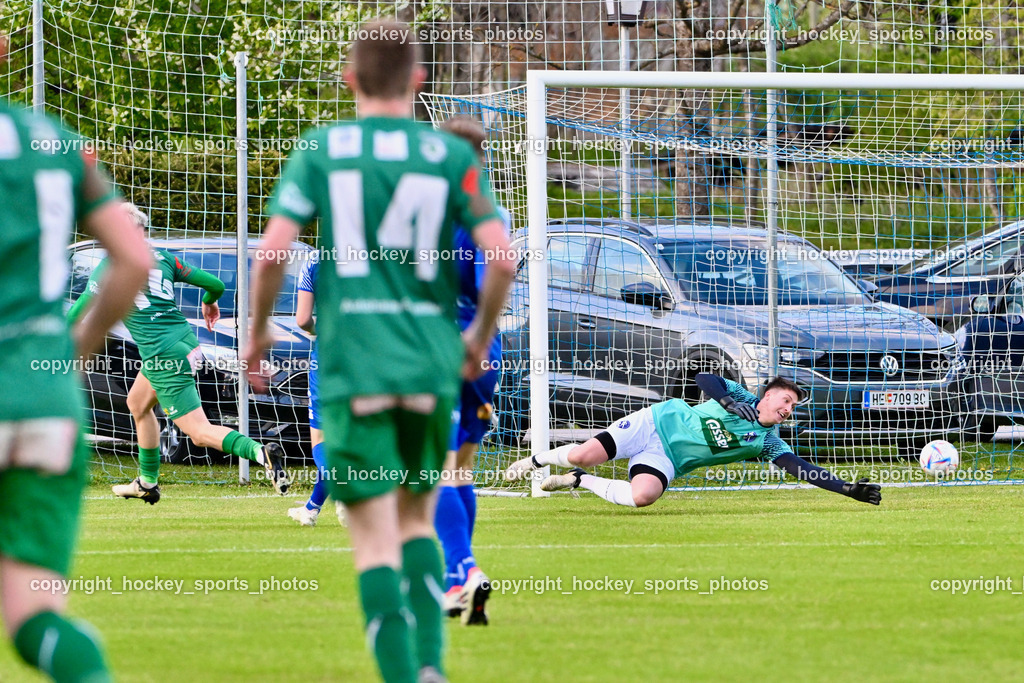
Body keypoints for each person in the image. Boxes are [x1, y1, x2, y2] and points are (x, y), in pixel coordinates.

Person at [243, 18, 516, 683]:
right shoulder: (451, 156)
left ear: (349, 78)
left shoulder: (322, 148)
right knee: (420, 520)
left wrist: (254, 335)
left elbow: (273, 250)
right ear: (419, 80)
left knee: (372, 541)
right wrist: (477, 341)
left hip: (353, 364)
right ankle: (432, 666)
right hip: (429, 362)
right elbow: (503, 258)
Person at [0, 50, 152, 682]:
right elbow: (134, 258)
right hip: (43, 397)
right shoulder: (54, 141)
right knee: (35, 620)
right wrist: (74, 352)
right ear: (4, 51)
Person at [67, 204, 290, 502]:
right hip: (185, 342)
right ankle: (147, 482)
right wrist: (210, 302)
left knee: (198, 432)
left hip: (163, 355)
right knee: (138, 403)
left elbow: (78, 313)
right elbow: (216, 284)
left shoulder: (110, 265)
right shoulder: (163, 258)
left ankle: (260, 453)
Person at [506, 373, 882, 508]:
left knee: (642, 498)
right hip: (655, 422)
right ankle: (536, 460)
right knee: (585, 453)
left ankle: (577, 481)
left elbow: (801, 469)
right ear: (768, 395)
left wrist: (847, 489)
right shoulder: (740, 396)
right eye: (786, 400)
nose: (788, 409)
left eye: (793, 407)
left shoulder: (767, 442)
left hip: (668, 457)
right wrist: (728, 400)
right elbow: (705, 378)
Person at [431, 115, 510, 626]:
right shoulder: (491, 211)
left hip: (437, 350)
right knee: (460, 468)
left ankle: (461, 569)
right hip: (486, 354)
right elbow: (498, 272)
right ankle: (458, 577)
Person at [287, 253, 329, 526]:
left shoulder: (316, 259)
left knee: (322, 439)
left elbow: (302, 319)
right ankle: (312, 508)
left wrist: (319, 331)